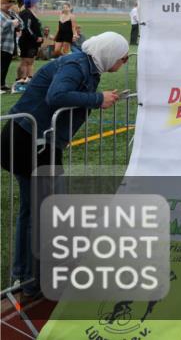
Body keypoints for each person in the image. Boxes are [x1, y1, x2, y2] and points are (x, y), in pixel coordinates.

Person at [1, 31, 127, 304]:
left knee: (35, 210)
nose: (124, 62)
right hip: (30, 140)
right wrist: (97, 99)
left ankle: (29, 276)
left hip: (35, 140)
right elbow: (56, 96)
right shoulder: (76, 64)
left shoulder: (86, 65)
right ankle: (34, 279)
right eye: (123, 57)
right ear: (109, 52)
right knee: (43, 211)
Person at [16, 0, 42, 84]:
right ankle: (26, 80)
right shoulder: (27, 13)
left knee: (27, 61)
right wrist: (36, 37)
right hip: (28, 42)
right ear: (33, 3)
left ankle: (25, 80)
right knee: (28, 62)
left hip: (30, 41)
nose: (38, 3)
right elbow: (26, 27)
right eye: (37, 2)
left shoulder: (29, 12)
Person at [1, 0, 22, 93]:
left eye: (10, 4)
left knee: (5, 65)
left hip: (9, 44)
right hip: (2, 43)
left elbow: (21, 24)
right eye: (6, 4)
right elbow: (4, 25)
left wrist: (14, 20)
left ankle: (2, 84)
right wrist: (12, 22)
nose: (8, 6)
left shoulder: (11, 13)